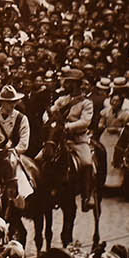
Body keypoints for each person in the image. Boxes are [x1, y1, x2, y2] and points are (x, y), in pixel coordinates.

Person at [47, 67, 97, 208]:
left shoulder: (86, 103)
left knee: (87, 162)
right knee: (41, 159)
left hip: (78, 140)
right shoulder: (62, 100)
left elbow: (85, 122)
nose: (66, 84)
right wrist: (51, 122)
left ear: (77, 84)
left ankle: (87, 196)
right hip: (60, 139)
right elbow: (50, 112)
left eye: (70, 82)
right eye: (66, 82)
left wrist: (67, 126)